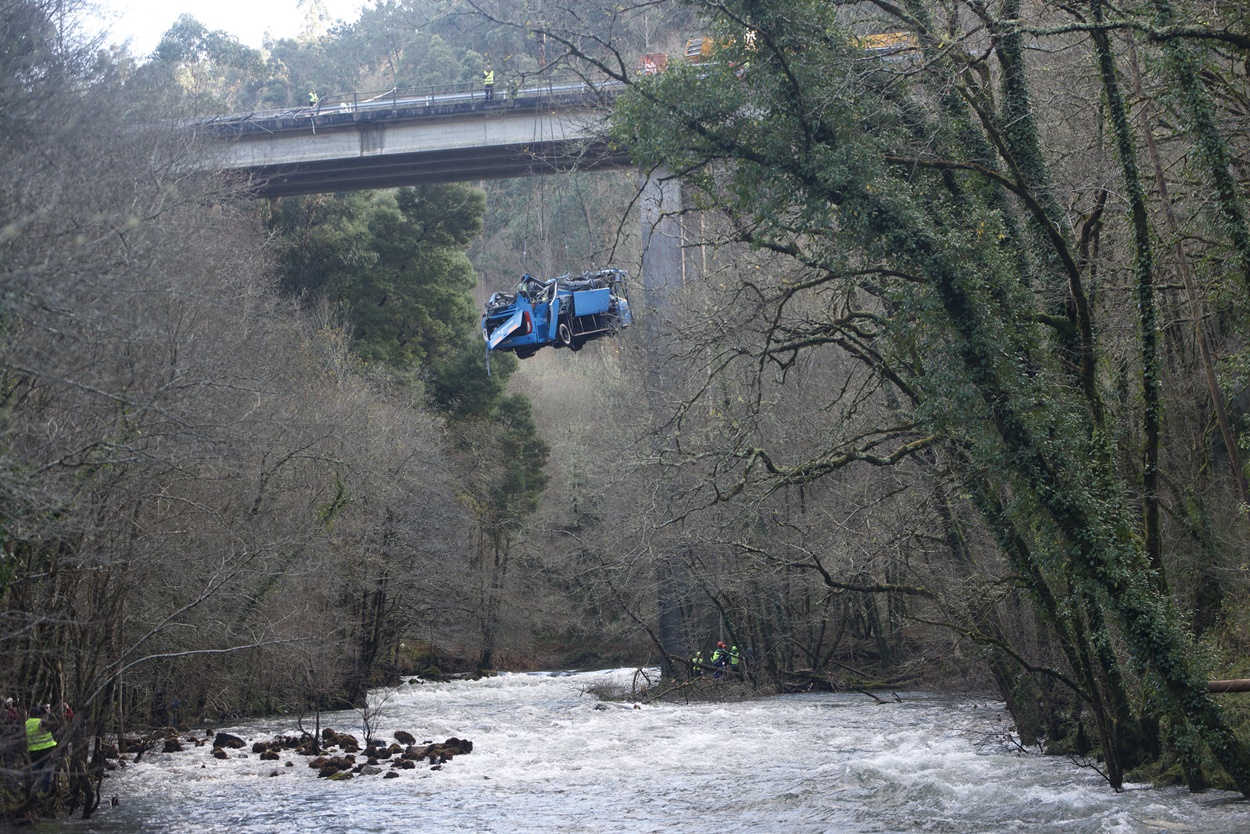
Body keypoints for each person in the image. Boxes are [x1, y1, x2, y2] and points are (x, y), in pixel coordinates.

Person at [26, 704, 57, 791]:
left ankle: (36, 791)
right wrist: (50, 713)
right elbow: (55, 724)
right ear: (38, 715)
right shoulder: (40, 723)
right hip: (46, 751)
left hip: (33, 752)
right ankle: (45, 791)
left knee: (36, 772)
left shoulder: (26, 724)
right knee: (46, 773)